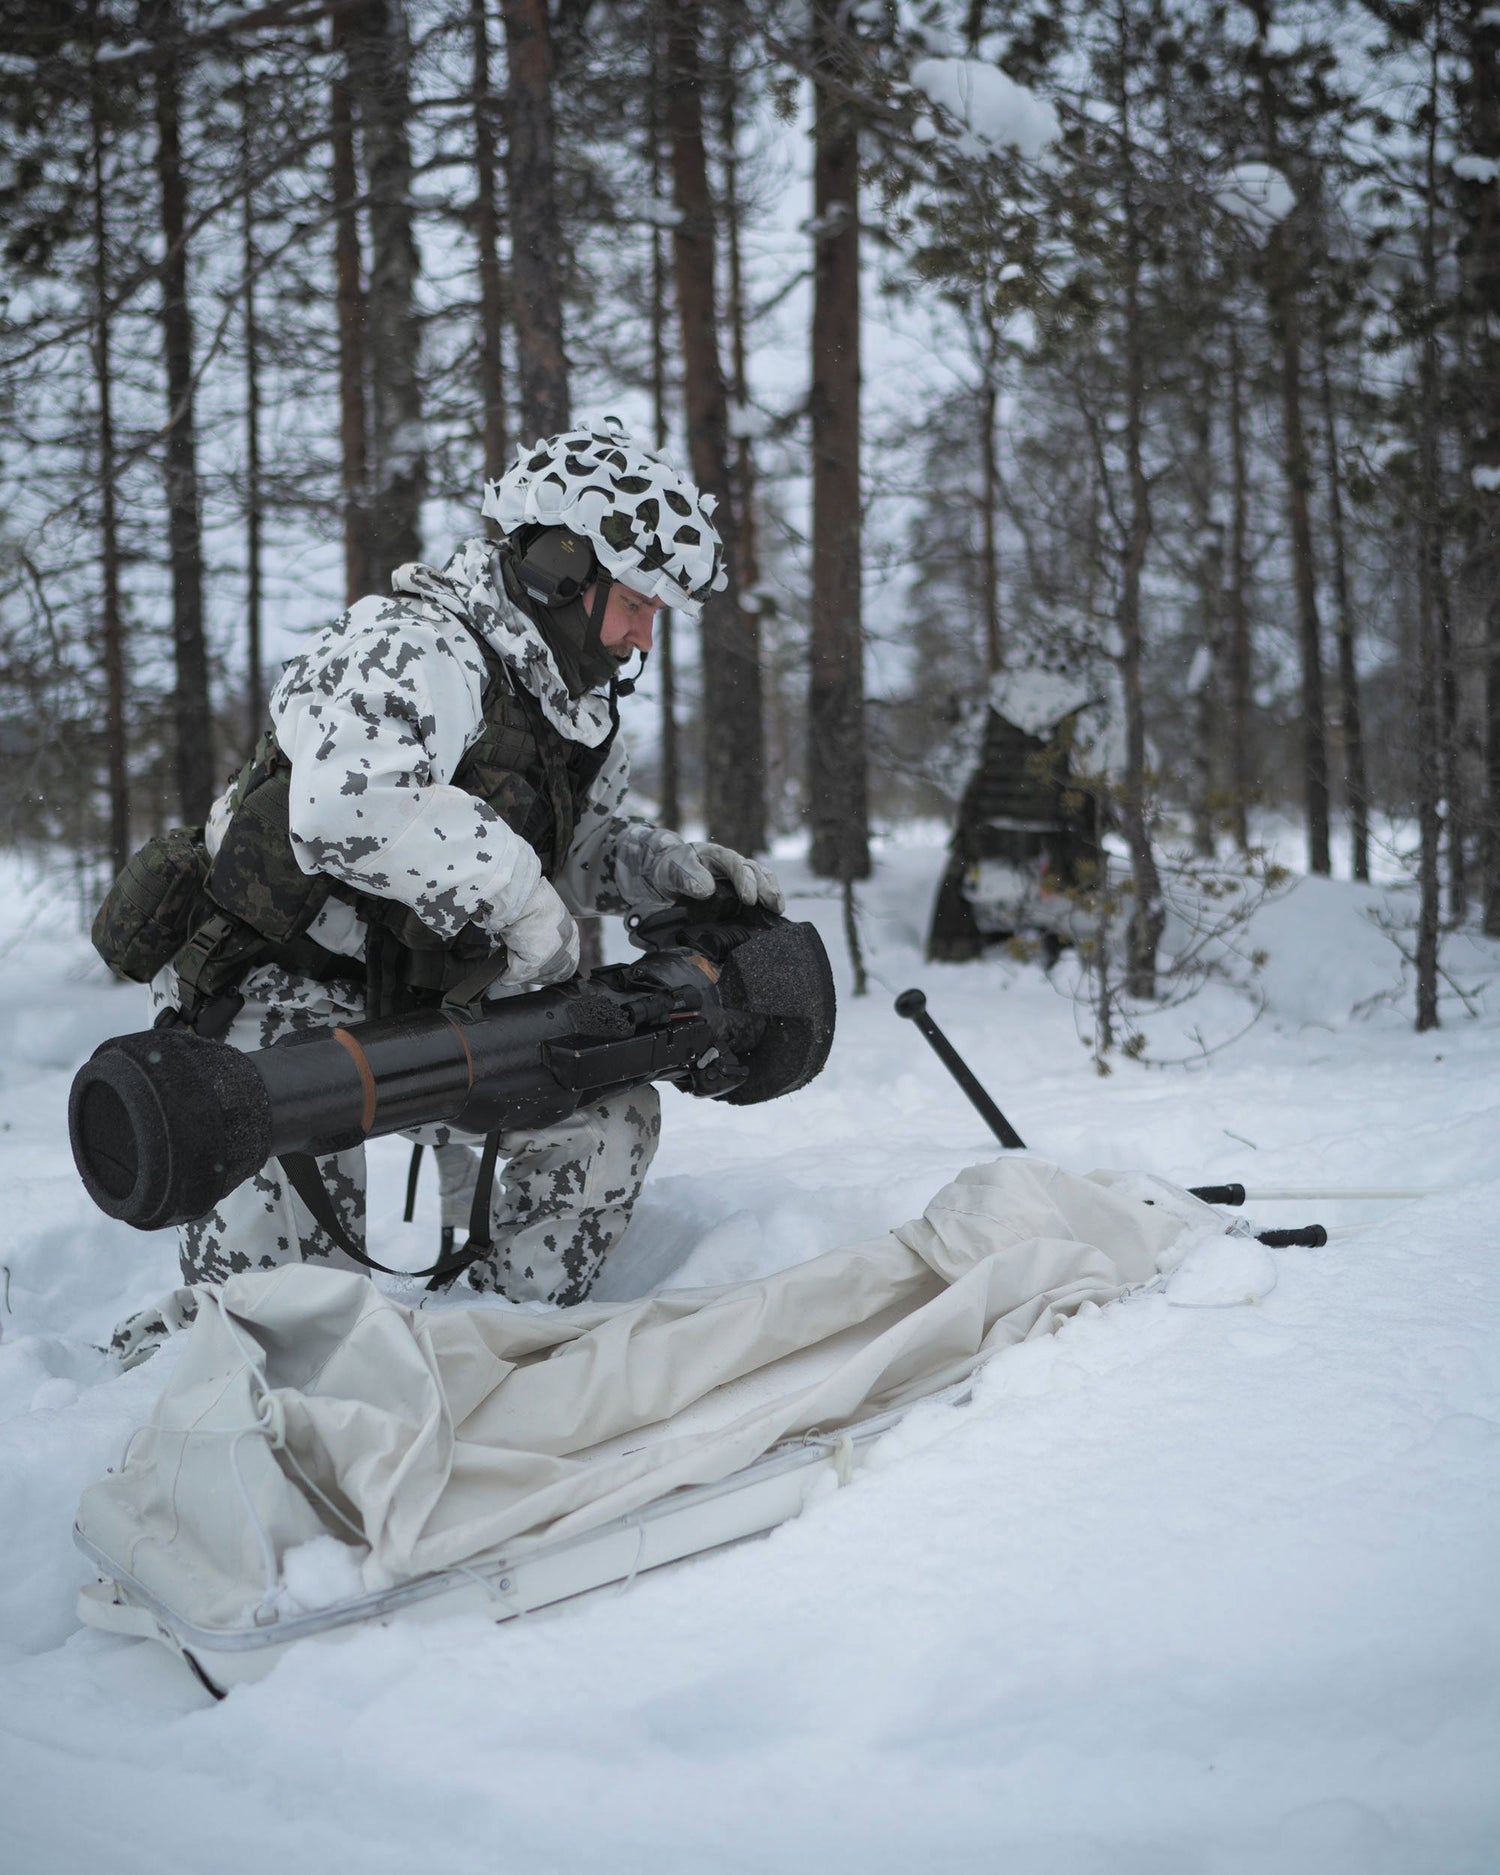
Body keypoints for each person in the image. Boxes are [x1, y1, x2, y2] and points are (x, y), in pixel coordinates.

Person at [136, 422, 782, 1313]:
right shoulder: (412, 646)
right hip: (282, 996)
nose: (642, 636)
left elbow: (573, 848)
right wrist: (520, 901)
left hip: (431, 1004)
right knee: (286, 1334)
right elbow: (346, 805)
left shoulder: (574, 710)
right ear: (564, 571)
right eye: (636, 602)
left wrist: (655, 864)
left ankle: (501, 1348)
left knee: (606, 1119)